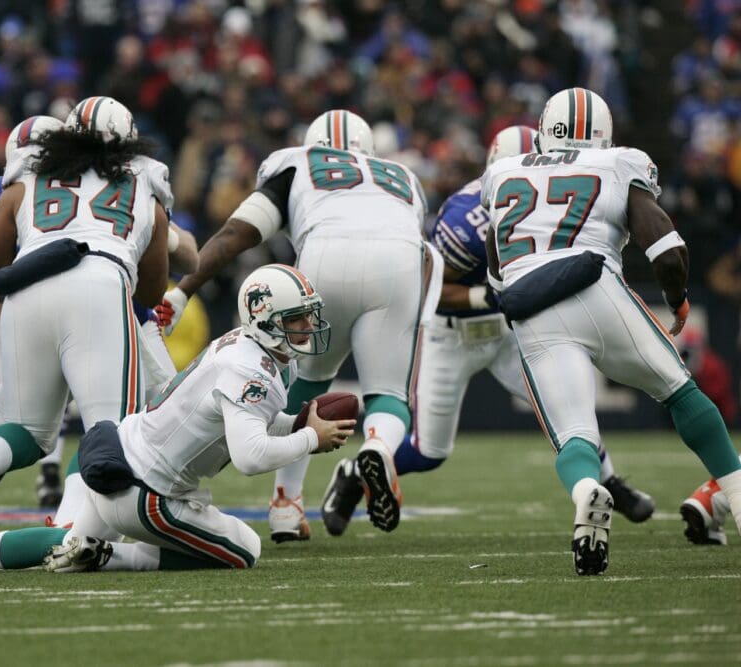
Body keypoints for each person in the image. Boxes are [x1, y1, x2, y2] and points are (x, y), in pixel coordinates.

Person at [0, 264, 354, 573]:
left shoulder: (244, 346)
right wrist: (311, 439)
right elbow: (250, 456)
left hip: (119, 452)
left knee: (63, 540)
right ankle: (111, 557)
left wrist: (296, 424)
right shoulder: (250, 370)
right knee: (246, 549)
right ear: (265, 319)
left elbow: (243, 420)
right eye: (297, 319)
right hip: (146, 493)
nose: (308, 327)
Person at [482, 87, 741, 575]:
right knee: (681, 393)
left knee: (576, 436)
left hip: (531, 305)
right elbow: (665, 245)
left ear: (543, 129)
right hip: (596, 286)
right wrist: (677, 299)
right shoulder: (619, 162)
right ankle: (736, 493)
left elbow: (496, 270)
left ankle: (586, 492)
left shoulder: (503, 172)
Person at [158, 109, 439, 541]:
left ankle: (286, 506)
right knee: (389, 393)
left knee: (306, 379)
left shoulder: (295, 163)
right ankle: (379, 447)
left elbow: (238, 234)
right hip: (398, 261)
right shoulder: (402, 175)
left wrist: (182, 291)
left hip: (325, 256)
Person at [377, 125, 654, 535]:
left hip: (508, 332)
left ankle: (607, 480)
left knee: (567, 407)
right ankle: (355, 472)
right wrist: (488, 297)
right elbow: (428, 289)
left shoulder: (555, 197)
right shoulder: (464, 218)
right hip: (452, 336)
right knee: (430, 451)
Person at [0, 96, 170, 544]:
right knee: (111, 428)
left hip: (27, 288)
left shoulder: (27, 178)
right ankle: (71, 525)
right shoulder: (147, 186)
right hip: (99, 284)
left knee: (24, 427)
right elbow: (152, 293)